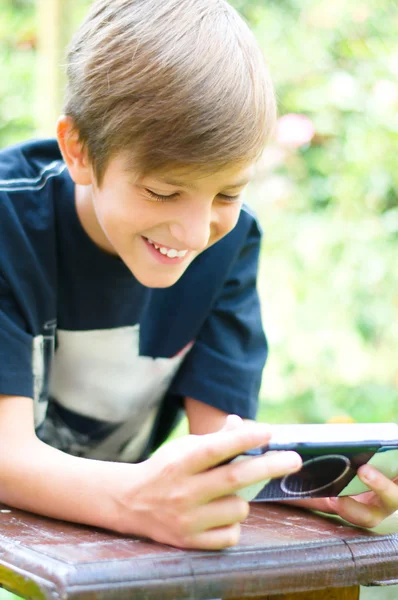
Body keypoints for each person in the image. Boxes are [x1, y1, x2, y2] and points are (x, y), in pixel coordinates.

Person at [0, 0, 396, 551]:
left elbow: (223, 446)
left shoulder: (228, 242)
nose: (192, 233)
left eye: (228, 193)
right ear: (79, 151)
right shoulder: (9, 226)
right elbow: (5, 456)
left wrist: (306, 486)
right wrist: (132, 499)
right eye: (163, 191)